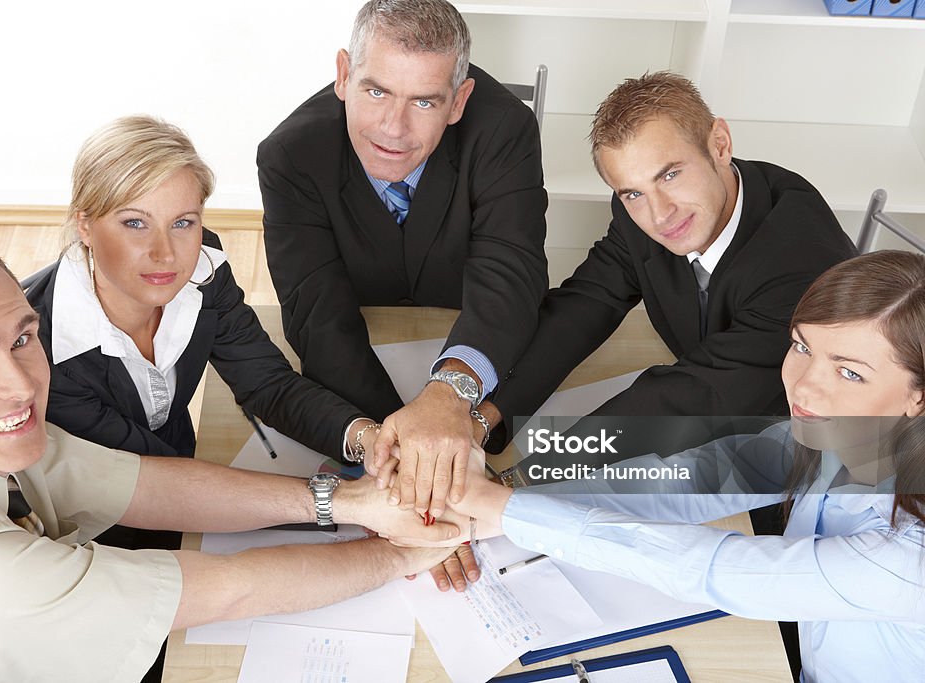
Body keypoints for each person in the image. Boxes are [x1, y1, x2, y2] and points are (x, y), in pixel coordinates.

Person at [0, 238, 457, 683]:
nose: (21, 385)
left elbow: (147, 486)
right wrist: (405, 553)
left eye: (23, 338)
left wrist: (353, 501)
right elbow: (229, 587)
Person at [401, 251, 925, 682]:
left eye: (850, 374)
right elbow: (699, 476)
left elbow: (713, 568)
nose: (806, 385)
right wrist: (505, 507)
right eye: (801, 347)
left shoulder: (910, 557)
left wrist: (506, 508)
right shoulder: (839, 433)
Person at [24, 116, 384, 552]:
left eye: (183, 222)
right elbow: (151, 481)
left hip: (185, 475)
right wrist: (346, 503)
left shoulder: (202, 269)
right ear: (84, 225)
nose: (166, 253)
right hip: (93, 533)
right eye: (135, 223)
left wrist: (370, 440)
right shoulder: (39, 350)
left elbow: (268, 384)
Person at [257, 0, 548, 521]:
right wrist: (406, 458)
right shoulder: (290, 154)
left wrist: (449, 394)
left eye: (424, 102)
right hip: (362, 362)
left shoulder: (506, 130)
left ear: (458, 101)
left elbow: (511, 275)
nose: (393, 128)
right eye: (376, 91)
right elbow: (318, 318)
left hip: (472, 343)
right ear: (344, 75)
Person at [477, 71, 856, 450]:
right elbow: (587, 303)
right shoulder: (640, 210)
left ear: (720, 145)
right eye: (632, 193)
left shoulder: (803, 263)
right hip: (704, 415)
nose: (659, 214)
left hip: (797, 448)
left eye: (670, 175)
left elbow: (691, 397)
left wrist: (537, 472)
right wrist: (483, 416)